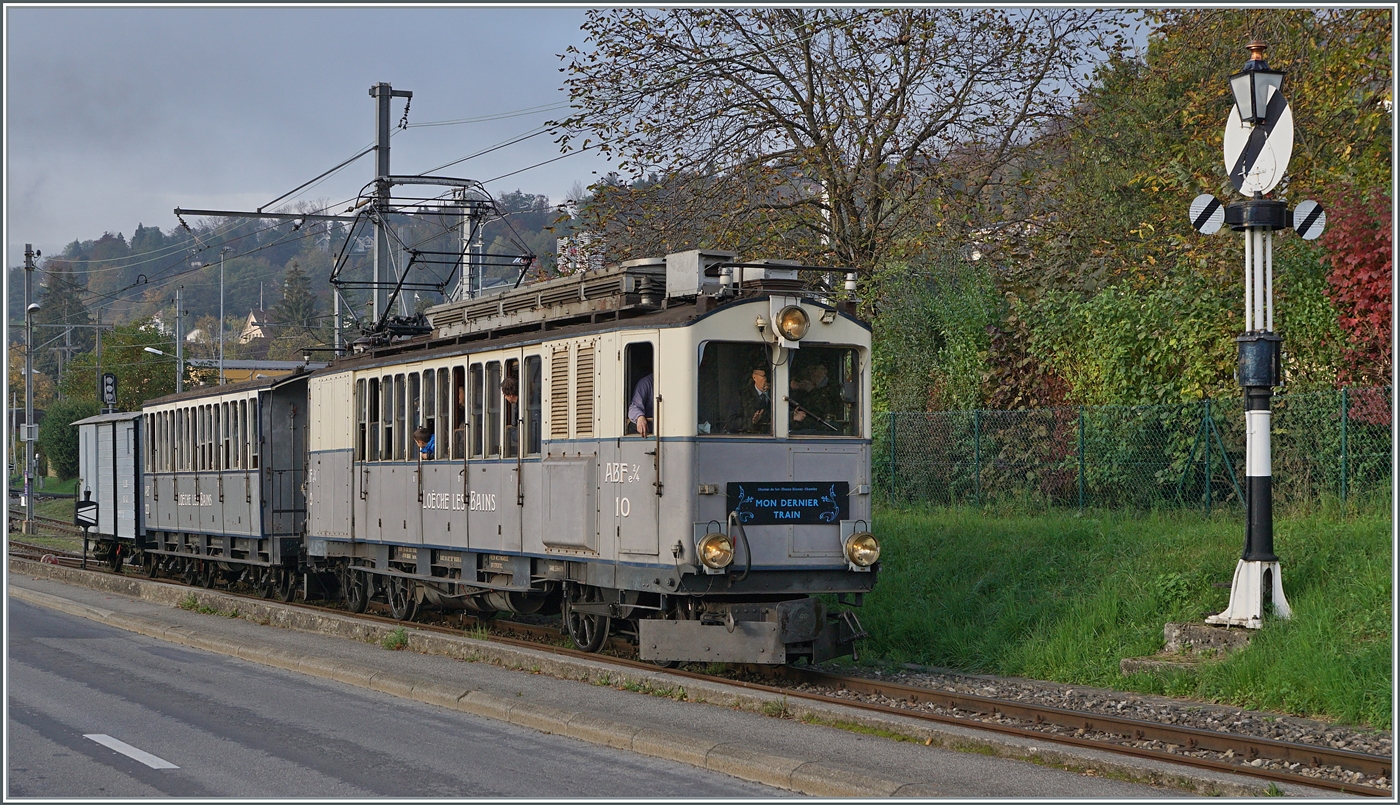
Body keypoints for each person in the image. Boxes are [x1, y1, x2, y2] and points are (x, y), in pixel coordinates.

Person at [726, 366, 772, 434]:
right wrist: (751, 421)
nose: (767, 380)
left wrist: (792, 416)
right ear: (754, 377)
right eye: (764, 376)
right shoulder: (742, 395)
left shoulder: (775, 395)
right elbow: (731, 421)